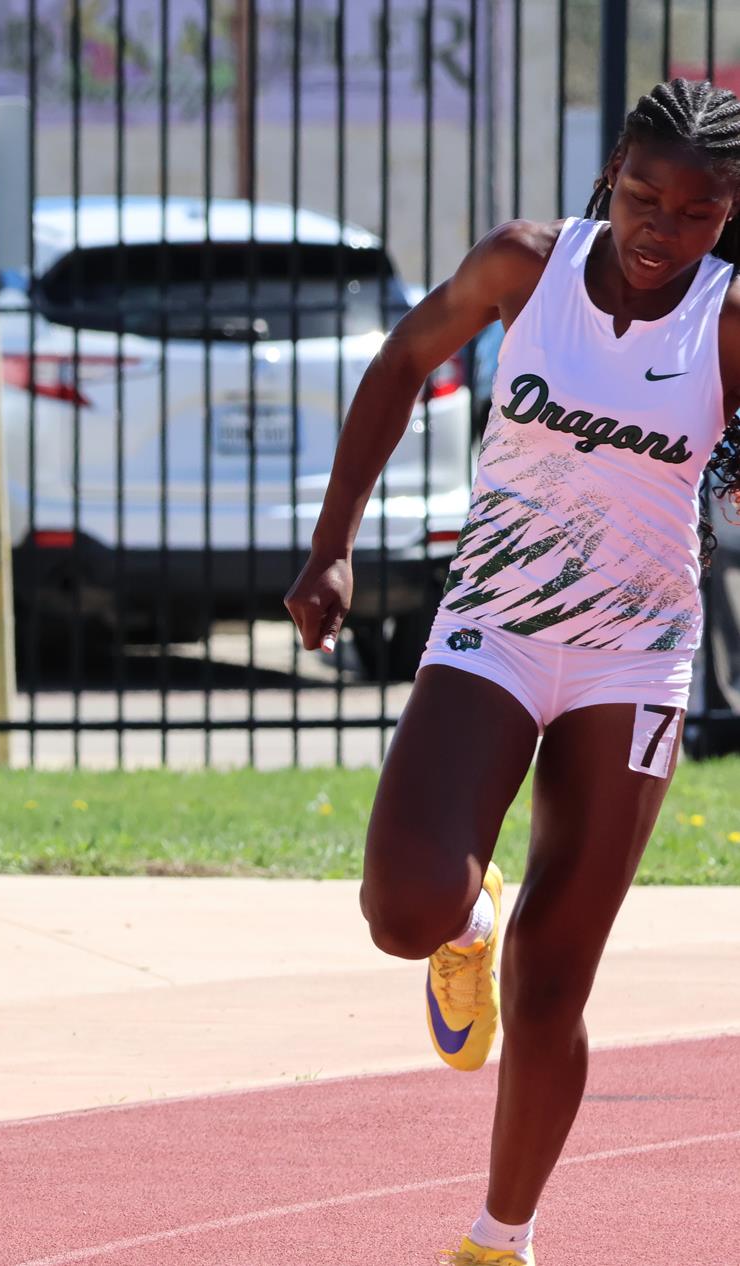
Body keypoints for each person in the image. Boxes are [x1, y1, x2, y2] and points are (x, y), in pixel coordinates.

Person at [286, 79, 740, 1266]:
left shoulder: (727, 322)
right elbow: (397, 366)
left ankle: (500, 1239)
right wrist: (332, 545)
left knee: (554, 982)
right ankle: (459, 929)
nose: (660, 229)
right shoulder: (521, 268)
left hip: (633, 658)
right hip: (492, 624)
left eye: (694, 214)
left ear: (728, 216)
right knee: (404, 909)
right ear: (609, 177)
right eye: (642, 196)